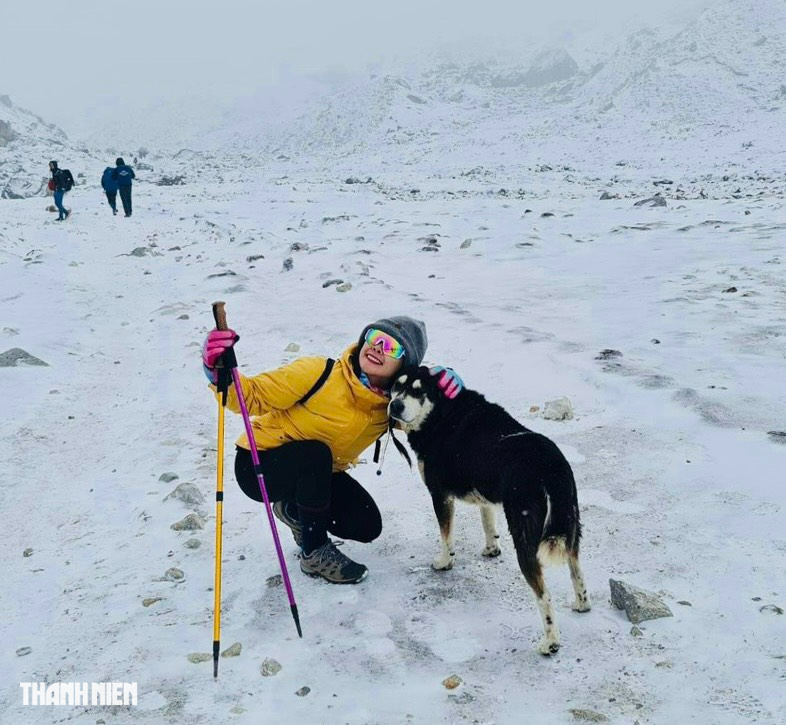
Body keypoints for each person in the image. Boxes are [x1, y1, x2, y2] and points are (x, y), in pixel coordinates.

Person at [202, 317, 463, 584]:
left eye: (391, 348)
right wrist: (217, 370)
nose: (377, 347)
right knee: (315, 455)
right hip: (259, 464)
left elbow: (436, 426)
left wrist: (447, 393)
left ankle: (293, 510)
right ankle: (314, 552)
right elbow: (251, 397)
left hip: (315, 475)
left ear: (405, 365)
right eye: (374, 338)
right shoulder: (319, 372)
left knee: (366, 524)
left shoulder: (391, 404)